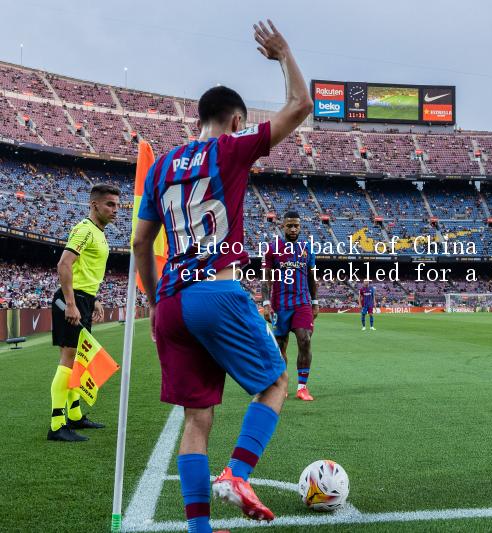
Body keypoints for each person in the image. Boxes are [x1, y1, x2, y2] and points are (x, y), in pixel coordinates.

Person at [133, 20, 312, 530]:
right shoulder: (230, 149)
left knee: (197, 417)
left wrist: (151, 300)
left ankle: (199, 528)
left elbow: (142, 242)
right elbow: (300, 105)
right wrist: (283, 54)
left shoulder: (163, 165)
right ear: (235, 120)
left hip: (170, 302)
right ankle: (237, 472)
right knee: (276, 380)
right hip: (215, 288)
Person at [48, 183, 119, 442]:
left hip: (84, 299)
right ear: (94, 204)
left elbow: (85, 271)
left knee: (80, 359)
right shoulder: (84, 230)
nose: (115, 210)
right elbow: (64, 264)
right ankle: (57, 424)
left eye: (117, 206)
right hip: (73, 300)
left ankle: (75, 415)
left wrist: (94, 299)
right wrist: (70, 302)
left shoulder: (99, 233)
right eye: (110, 204)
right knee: (68, 360)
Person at [262, 212, 319, 401]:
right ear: (283, 227)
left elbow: (311, 277)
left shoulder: (307, 248)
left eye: (296, 225)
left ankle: (302, 387)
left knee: (305, 340)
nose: (293, 229)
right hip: (280, 304)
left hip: (302, 302)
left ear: (300, 227)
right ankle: (282, 385)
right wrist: (266, 303)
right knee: (280, 346)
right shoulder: (272, 249)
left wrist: (315, 302)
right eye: (289, 226)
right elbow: (267, 279)